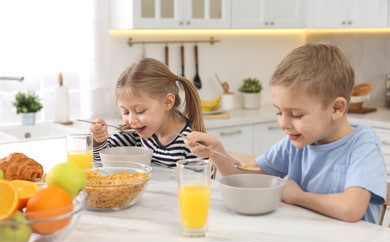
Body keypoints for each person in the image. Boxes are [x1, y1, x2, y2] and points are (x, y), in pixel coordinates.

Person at [185, 42, 387, 224]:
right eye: (279, 112)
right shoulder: (296, 143)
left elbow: (351, 209)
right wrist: (216, 152)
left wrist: (297, 196)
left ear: (336, 108)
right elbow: (245, 178)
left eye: (296, 114)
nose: (283, 123)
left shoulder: (363, 144)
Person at [89, 57, 206, 168]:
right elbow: (99, 161)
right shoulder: (135, 133)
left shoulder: (190, 144)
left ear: (167, 102)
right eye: (125, 112)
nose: (131, 121)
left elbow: (204, 183)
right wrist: (99, 140)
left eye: (140, 111)